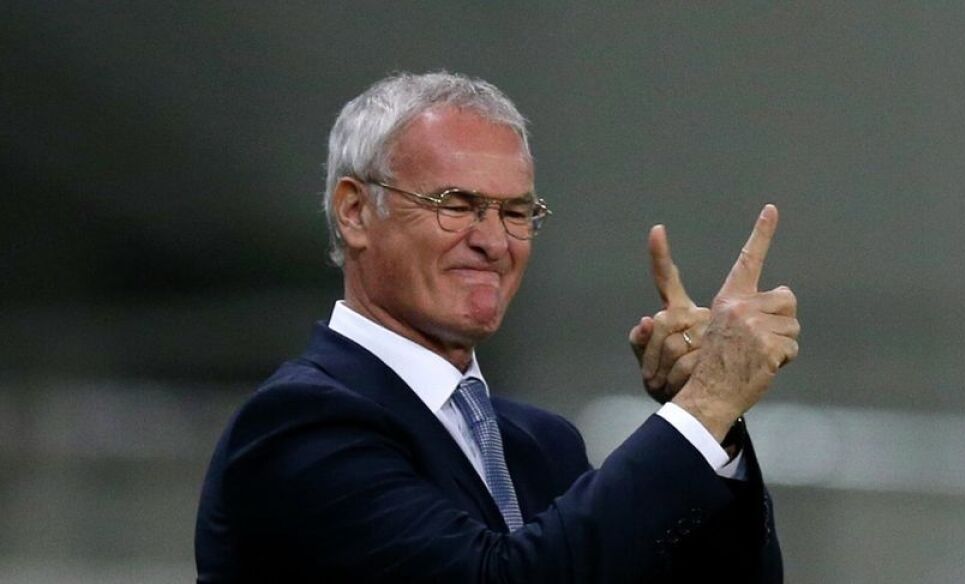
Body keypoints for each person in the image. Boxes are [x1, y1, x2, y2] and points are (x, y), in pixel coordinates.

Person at [195, 71, 799, 583]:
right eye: (456, 205)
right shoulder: (299, 426)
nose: (493, 241)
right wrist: (704, 402)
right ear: (355, 211)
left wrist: (716, 426)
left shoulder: (541, 445)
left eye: (515, 212)